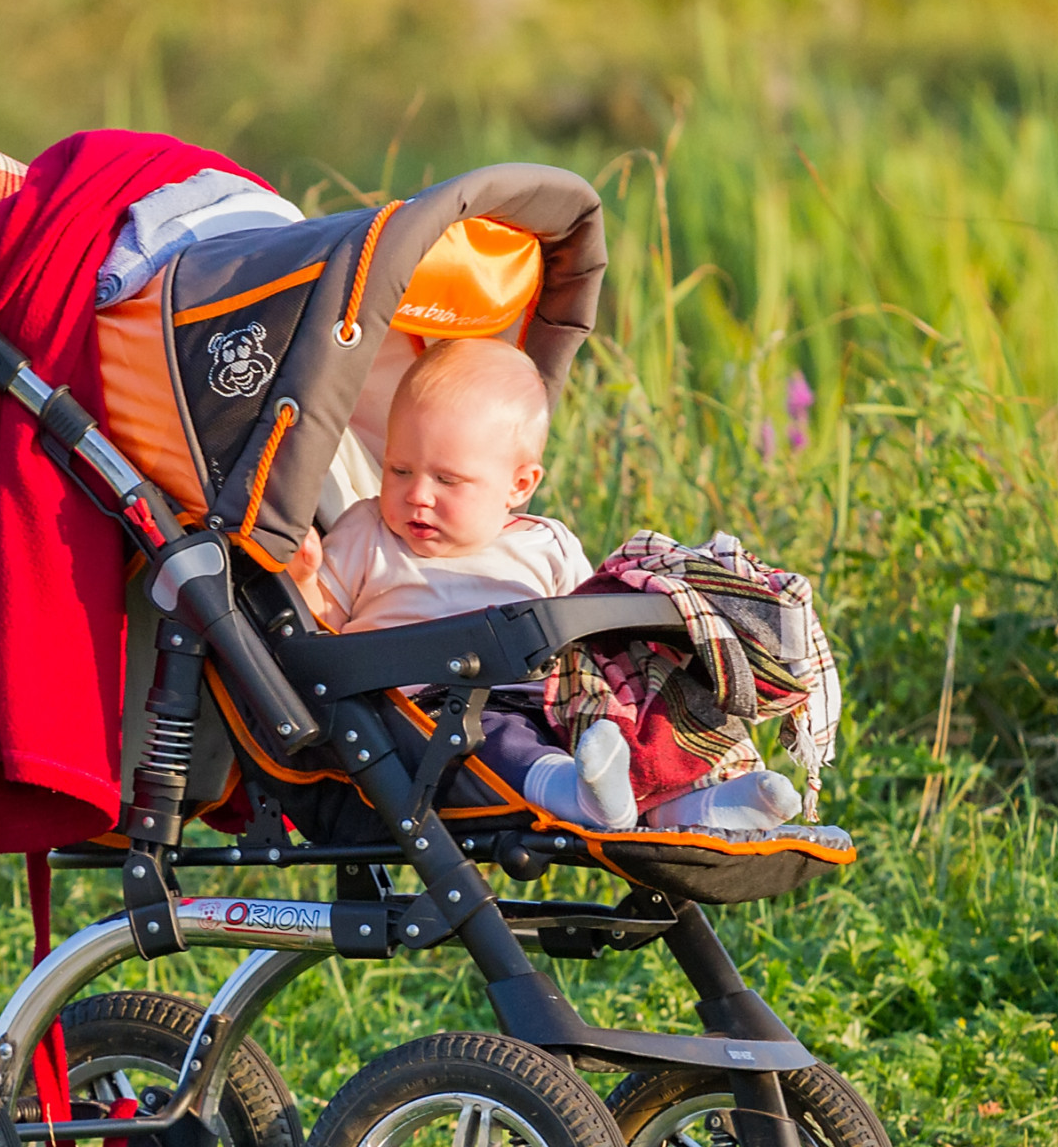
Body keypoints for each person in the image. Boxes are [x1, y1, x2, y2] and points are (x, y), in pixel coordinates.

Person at [311, 340, 800, 832]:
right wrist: (304, 577)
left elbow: (592, 635)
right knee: (501, 738)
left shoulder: (547, 545)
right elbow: (318, 633)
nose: (417, 494)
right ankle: (577, 794)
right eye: (398, 470)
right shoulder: (367, 531)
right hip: (431, 719)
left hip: (555, 703)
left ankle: (703, 802)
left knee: (631, 721)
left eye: (447, 480)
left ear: (518, 486)